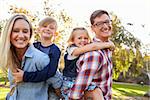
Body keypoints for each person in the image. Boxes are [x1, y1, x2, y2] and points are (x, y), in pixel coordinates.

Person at [0, 14, 50, 100]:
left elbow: (58, 87)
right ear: (8, 33)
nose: (21, 35)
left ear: (30, 34)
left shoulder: (40, 58)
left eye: (25, 31)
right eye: (15, 31)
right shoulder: (9, 57)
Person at [12, 17, 63, 99]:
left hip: (51, 88)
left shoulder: (55, 50)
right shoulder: (34, 46)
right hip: (36, 85)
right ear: (38, 30)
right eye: (45, 26)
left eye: (51, 28)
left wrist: (25, 76)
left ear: (56, 34)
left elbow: (50, 72)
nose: (47, 29)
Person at [68, 10, 114, 100]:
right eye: (99, 24)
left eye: (107, 21)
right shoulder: (94, 55)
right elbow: (75, 95)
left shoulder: (106, 49)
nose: (105, 26)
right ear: (92, 28)